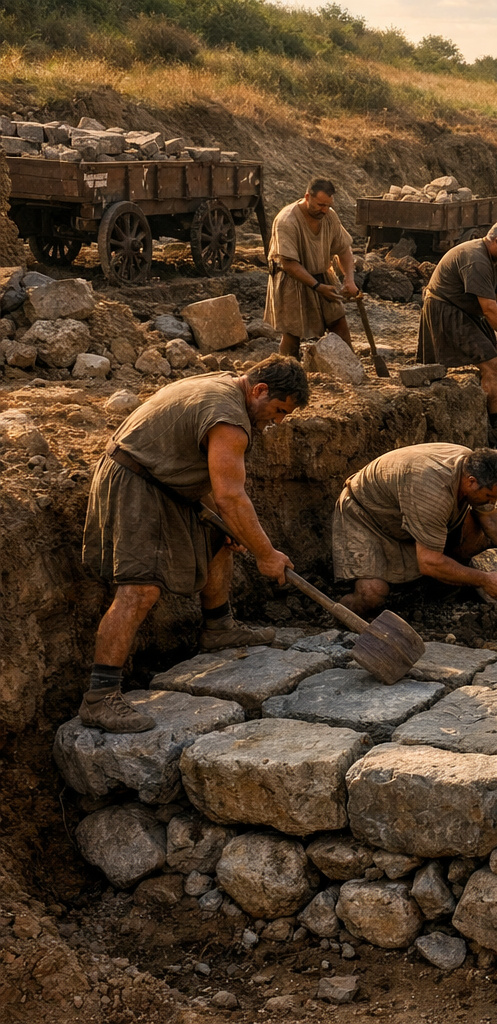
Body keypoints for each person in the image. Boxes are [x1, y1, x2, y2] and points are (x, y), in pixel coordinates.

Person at [80, 356, 310, 732]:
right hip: (137, 482)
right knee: (140, 589)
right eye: (278, 410)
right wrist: (266, 555)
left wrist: (238, 530)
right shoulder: (229, 420)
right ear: (260, 390)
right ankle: (100, 696)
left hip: (163, 478)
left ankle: (218, 627)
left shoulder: (226, 387)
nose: (278, 421)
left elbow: (226, 499)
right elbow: (231, 498)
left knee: (222, 536)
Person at [333, 444, 497, 614]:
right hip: (367, 516)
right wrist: (484, 579)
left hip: (408, 512)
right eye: (489, 496)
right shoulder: (432, 492)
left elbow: (490, 517)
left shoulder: (472, 466)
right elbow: (429, 562)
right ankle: (336, 613)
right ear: (471, 482)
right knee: (372, 594)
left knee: (474, 531)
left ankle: (431, 587)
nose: (492, 502)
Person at [416, 220, 497, 452]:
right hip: (445, 309)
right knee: (492, 364)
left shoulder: (496, 260)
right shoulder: (476, 259)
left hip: (465, 309)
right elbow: (489, 309)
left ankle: (495, 425)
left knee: (492, 357)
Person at [264, 178, 360, 358]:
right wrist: (317, 287)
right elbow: (288, 263)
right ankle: (287, 369)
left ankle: (350, 366)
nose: (324, 210)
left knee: (338, 320)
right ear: (307, 196)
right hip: (291, 278)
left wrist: (349, 279)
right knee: (293, 332)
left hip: (322, 274)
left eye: (328, 205)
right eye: (320, 205)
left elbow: (344, 249)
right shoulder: (286, 220)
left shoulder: (329, 216)